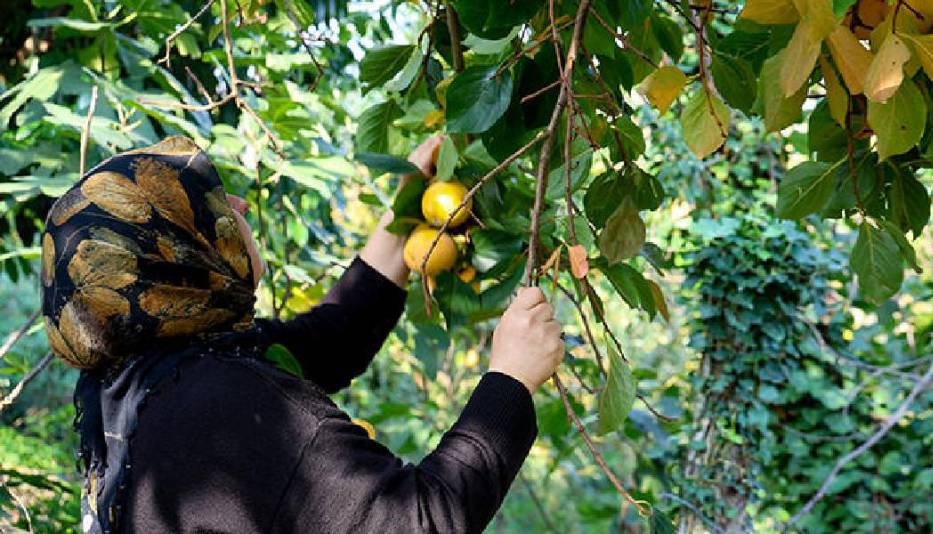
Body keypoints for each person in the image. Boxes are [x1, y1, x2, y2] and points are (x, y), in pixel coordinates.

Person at [39, 135, 565, 533]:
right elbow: (418, 522)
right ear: (176, 246)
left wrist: (404, 215)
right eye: (212, 202)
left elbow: (328, 341)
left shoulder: (134, 381)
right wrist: (510, 380)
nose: (240, 206)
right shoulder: (225, 407)